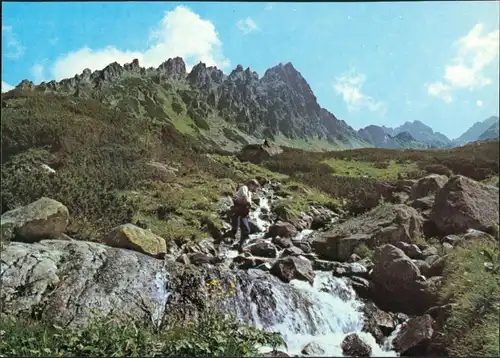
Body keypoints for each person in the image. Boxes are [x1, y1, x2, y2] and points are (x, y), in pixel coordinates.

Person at [227, 179, 260, 252]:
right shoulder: (244, 188)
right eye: (254, 186)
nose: (255, 188)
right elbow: (245, 198)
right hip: (238, 211)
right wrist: (248, 203)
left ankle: (240, 247)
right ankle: (219, 241)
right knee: (235, 231)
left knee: (245, 230)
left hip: (243, 213)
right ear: (251, 184)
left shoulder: (250, 192)